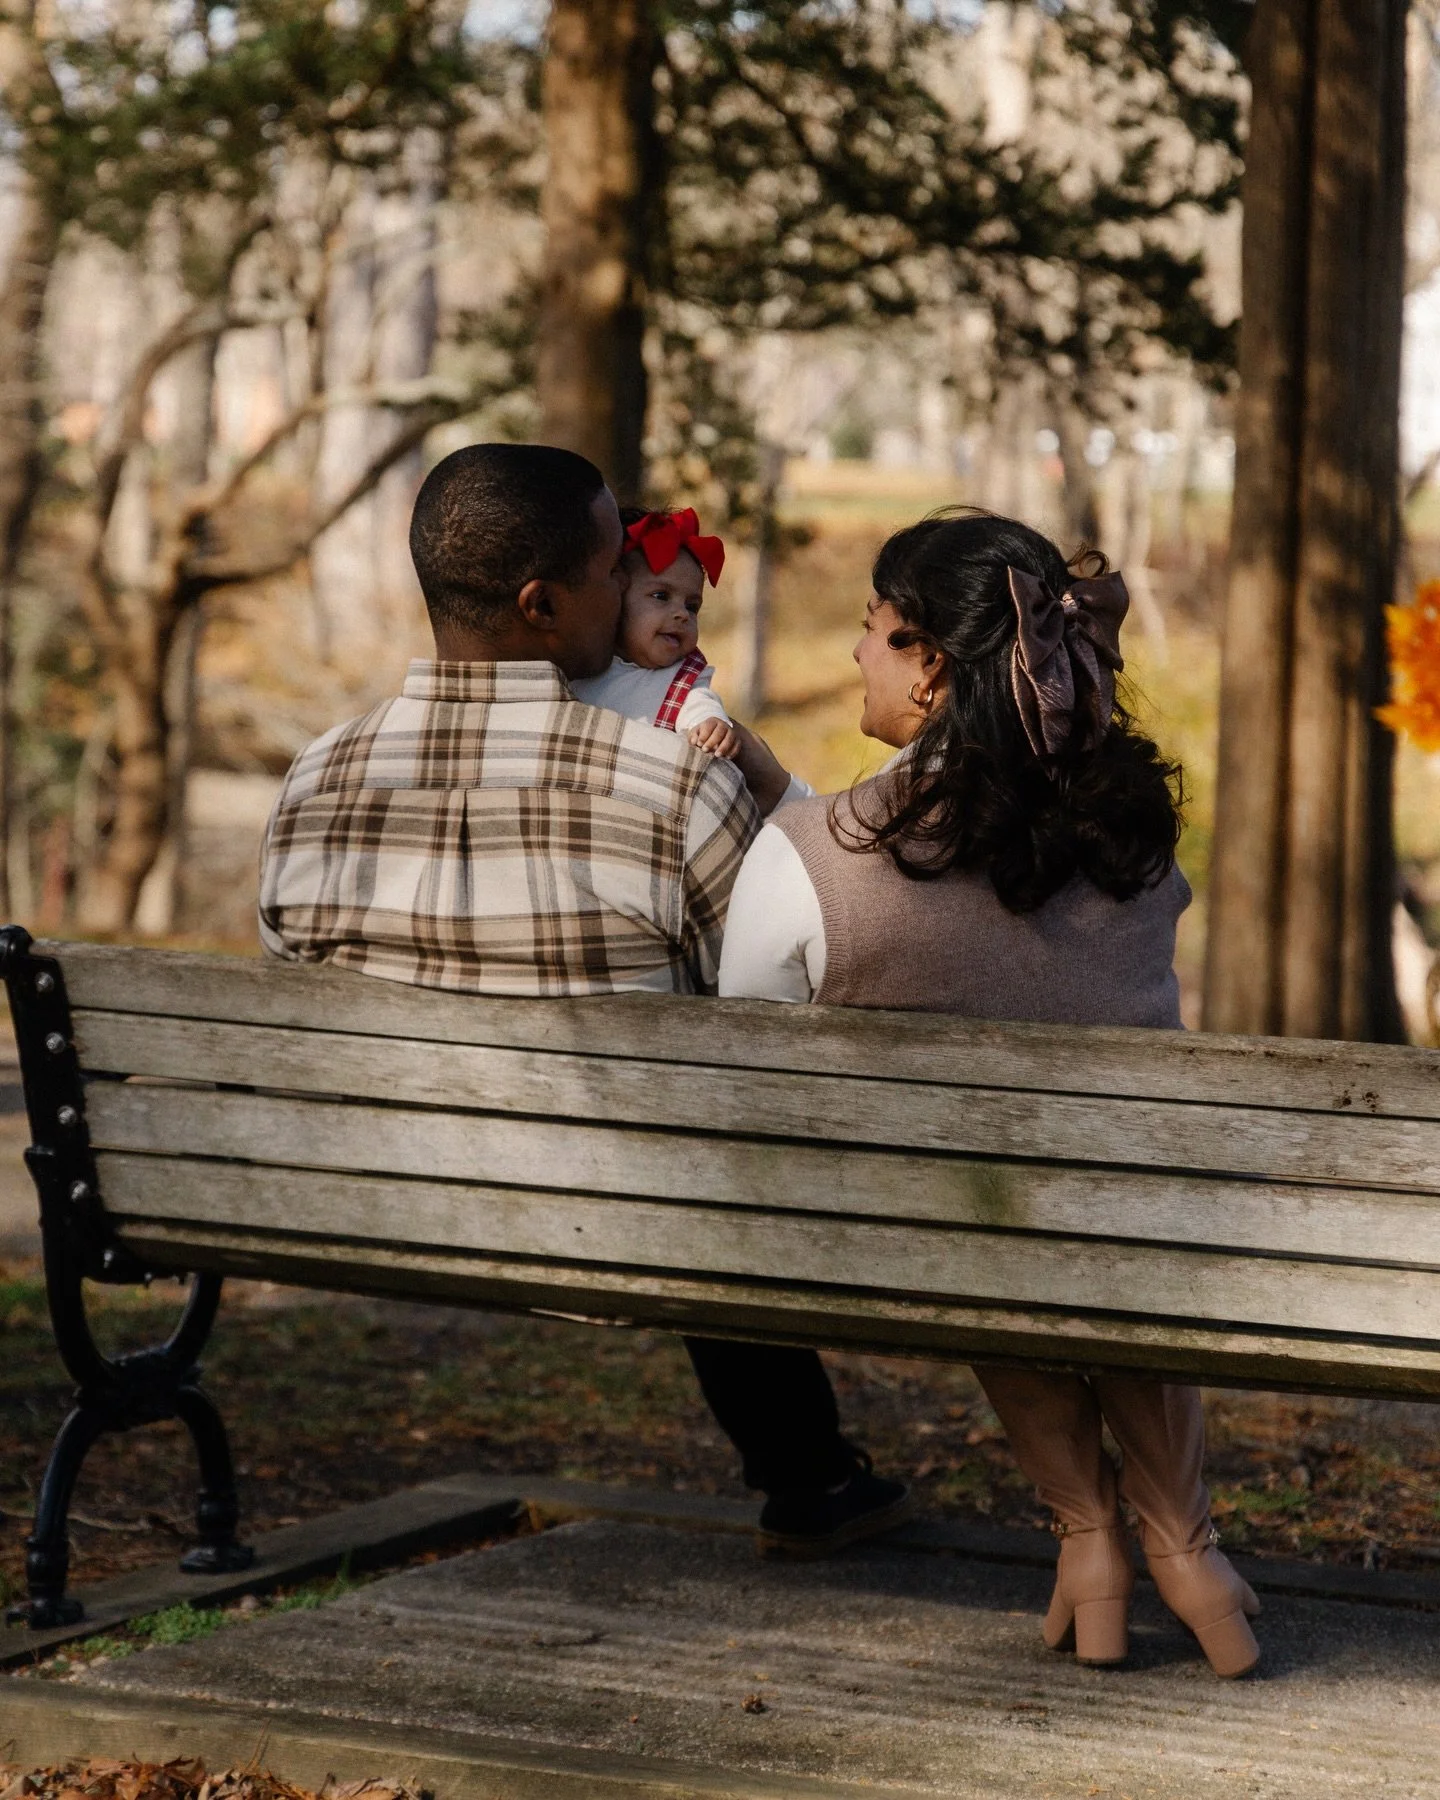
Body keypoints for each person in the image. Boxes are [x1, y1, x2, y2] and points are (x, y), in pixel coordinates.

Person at [258, 441, 908, 1556]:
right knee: (709, 1147)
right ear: (542, 604)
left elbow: (292, 995)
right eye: (617, 570)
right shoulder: (672, 787)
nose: (634, 589)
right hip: (628, 1219)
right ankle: (805, 1471)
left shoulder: (314, 777)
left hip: (372, 1205)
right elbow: (773, 1020)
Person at [719, 506, 1261, 1677]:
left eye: (873, 630)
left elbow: (747, 1064)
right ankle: (1184, 1544)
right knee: (1092, 1215)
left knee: (982, 1218)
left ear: (929, 667)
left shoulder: (809, 859)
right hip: (1144, 1243)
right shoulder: (1139, 850)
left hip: (936, 1250)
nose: (857, 652)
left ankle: (1088, 1533)